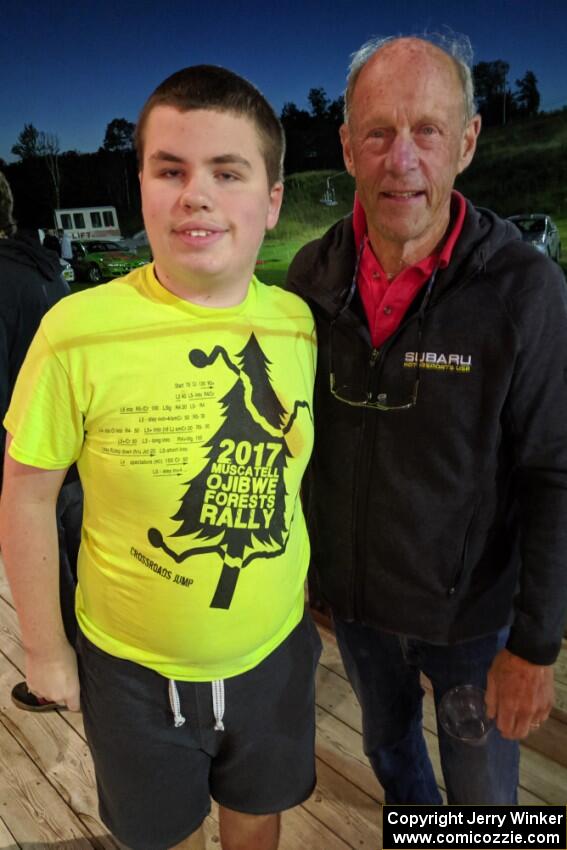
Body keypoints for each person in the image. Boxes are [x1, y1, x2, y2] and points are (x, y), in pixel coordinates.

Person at [0, 66, 318, 850]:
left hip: (274, 648)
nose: (195, 195)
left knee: (258, 810)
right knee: (157, 834)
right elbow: (27, 494)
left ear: (271, 201)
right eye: (170, 170)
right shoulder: (76, 329)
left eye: (227, 171)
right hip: (131, 669)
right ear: (140, 184)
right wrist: (43, 650)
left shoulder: (297, 323)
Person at [287, 34, 567, 805]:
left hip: (472, 622)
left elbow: (553, 473)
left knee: (483, 803)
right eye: (377, 131)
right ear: (346, 147)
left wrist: (536, 646)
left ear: (467, 142)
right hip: (358, 611)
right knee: (389, 758)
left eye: (427, 130)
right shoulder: (311, 274)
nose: (399, 158)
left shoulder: (524, 289)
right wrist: (313, 579)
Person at [0, 172, 82, 712]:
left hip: (24, 460)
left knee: (47, 570)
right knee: (74, 569)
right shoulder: (43, 269)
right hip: (71, 459)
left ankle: (62, 672)